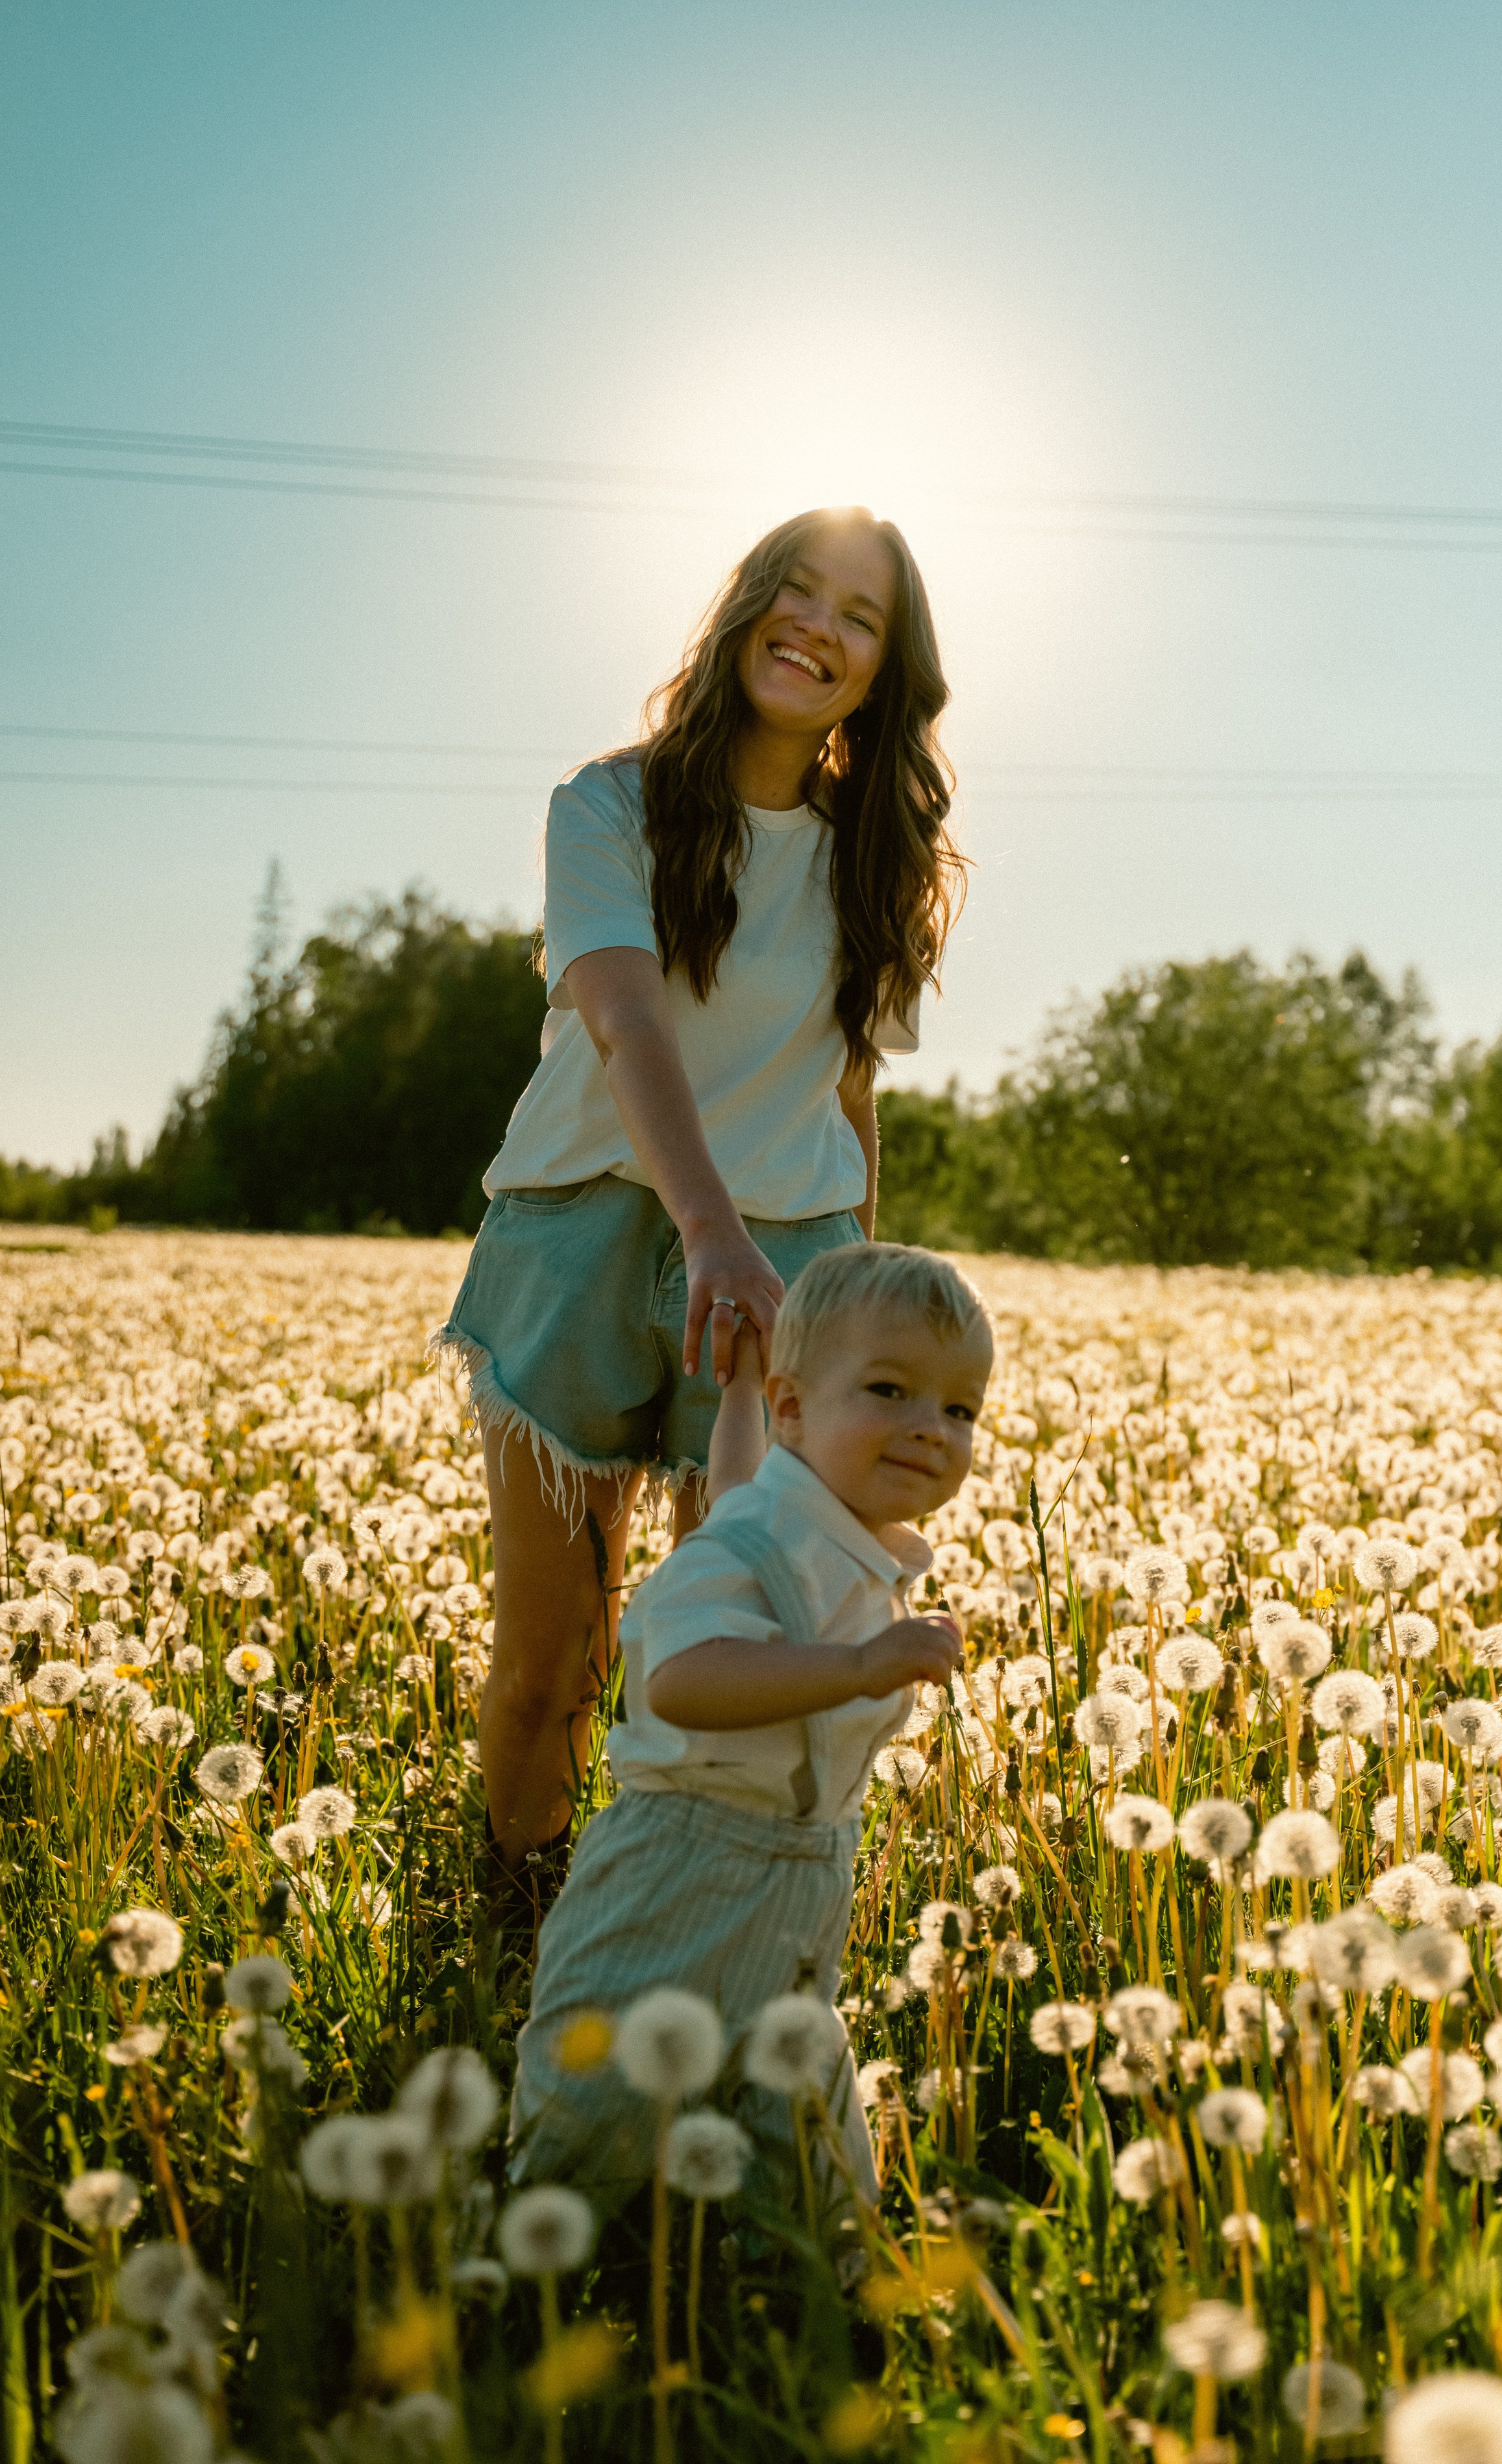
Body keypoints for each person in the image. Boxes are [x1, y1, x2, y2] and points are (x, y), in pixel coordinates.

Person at [434, 506, 964, 1880]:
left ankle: (698, 1923)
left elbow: (849, 1094)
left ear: (884, 668)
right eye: (798, 591)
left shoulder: (880, 856)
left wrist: (860, 1299)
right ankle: (525, 1931)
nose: (818, 628)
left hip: (787, 1257)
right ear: (746, 607)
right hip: (588, 1235)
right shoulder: (606, 803)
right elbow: (626, 1022)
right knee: (552, 1654)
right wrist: (708, 1229)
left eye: (859, 616)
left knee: (752, 1636)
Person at [508, 1241, 996, 2207]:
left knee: (810, 2156)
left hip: (805, 1880)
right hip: (680, 1871)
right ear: (795, 1410)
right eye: (890, 1391)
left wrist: (735, 1395)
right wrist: (857, 1667)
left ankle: (824, 2265)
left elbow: (736, 1486)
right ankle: (540, 2255)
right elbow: (683, 1680)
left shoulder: (822, 1529)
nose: (929, 1428)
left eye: (960, 1410)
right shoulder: (748, 1547)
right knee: (592, 2113)